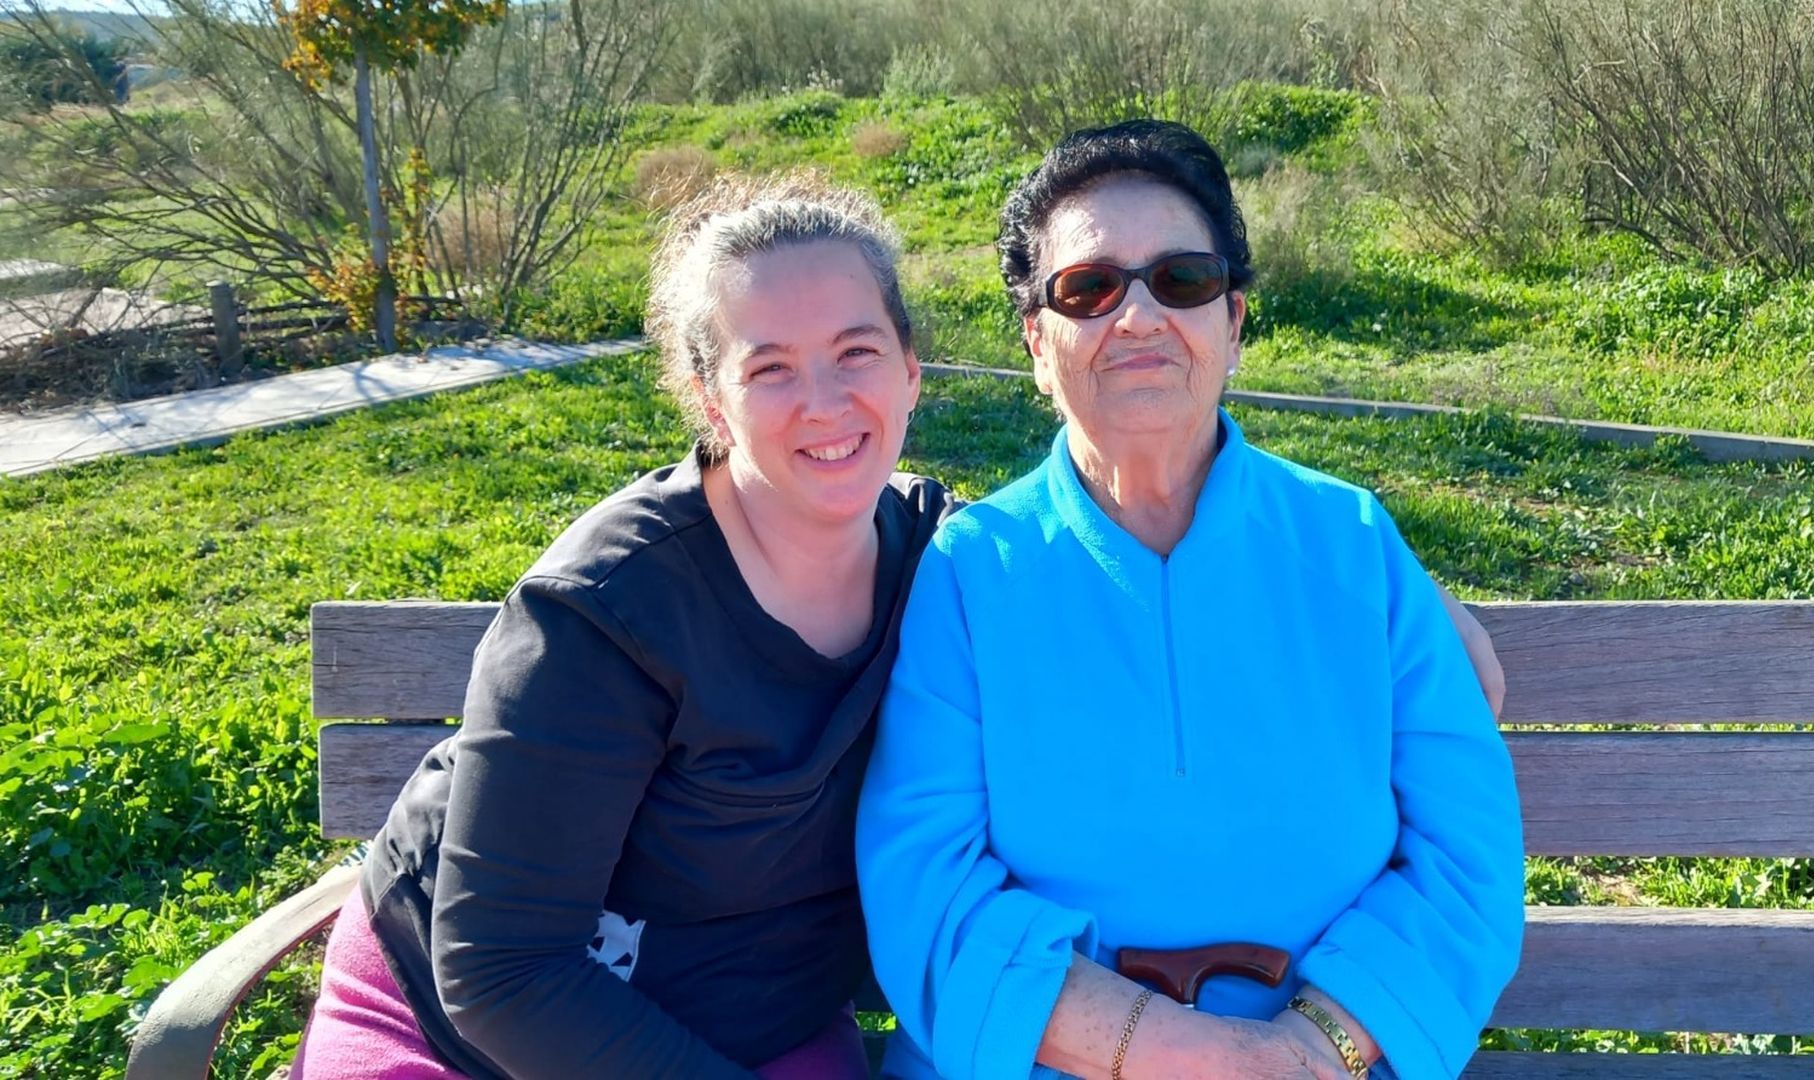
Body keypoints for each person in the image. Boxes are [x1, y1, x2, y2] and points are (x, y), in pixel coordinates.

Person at [287, 171, 1508, 1079]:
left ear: (914, 373)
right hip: (471, 1024)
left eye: (857, 352)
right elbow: (501, 964)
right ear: (705, 395)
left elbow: (1134, 563)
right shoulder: (607, 611)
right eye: (771, 368)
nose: (826, 402)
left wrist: (1400, 605)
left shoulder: (942, 552)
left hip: (753, 1031)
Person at [854, 121, 1525, 1080]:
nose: (1137, 317)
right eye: (1089, 289)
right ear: (1039, 345)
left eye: (1182, 281)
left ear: (1233, 322)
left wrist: (1304, 1052)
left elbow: (1467, 862)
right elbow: (930, 891)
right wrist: (1191, 1056)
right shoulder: (970, 571)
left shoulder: (1353, 544)